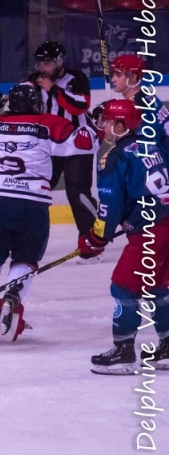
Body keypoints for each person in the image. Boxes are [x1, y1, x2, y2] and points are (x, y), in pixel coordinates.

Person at [0, 83, 99, 345]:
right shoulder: (48, 123)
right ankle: (11, 298)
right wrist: (93, 123)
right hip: (33, 206)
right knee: (25, 260)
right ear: (36, 104)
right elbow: (86, 143)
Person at [84, 100, 169, 375]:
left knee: (123, 287)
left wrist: (95, 240)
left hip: (150, 232)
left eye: (107, 121)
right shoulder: (152, 145)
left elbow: (109, 209)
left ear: (120, 126)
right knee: (158, 286)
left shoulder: (113, 156)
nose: (103, 126)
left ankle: (123, 353)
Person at [26, 41, 101, 264]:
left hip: (77, 144)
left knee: (78, 193)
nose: (42, 67)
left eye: (47, 63)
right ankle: (26, 241)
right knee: (34, 191)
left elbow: (80, 107)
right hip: (48, 145)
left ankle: (92, 244)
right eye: (40, 62)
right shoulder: (34, 79)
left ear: (59, 62)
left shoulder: (76, 79)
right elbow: (19, 97)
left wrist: (54, 89)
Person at [92, 55, 169, 139]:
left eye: (118, 75)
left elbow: (129, 141)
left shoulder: (138, 105)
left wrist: (110, 117)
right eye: (113, 75)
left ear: (133, 77)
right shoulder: (145, 94)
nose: (113, 79)